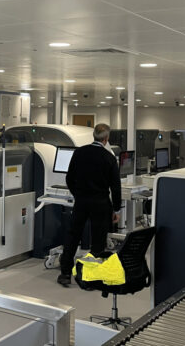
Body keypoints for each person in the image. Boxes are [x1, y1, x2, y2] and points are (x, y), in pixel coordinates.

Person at [58, 123, 122, 287]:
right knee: (98, 240)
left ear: (94, 136)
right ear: (106, 139)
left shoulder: (79, 152)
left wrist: (78, 194)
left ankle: (65, 273)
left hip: (81, 201)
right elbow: (115, 186)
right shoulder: (109, 157)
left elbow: (69, 178)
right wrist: (116, 208)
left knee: (73, 235)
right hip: (100, 203)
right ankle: (91, 276)